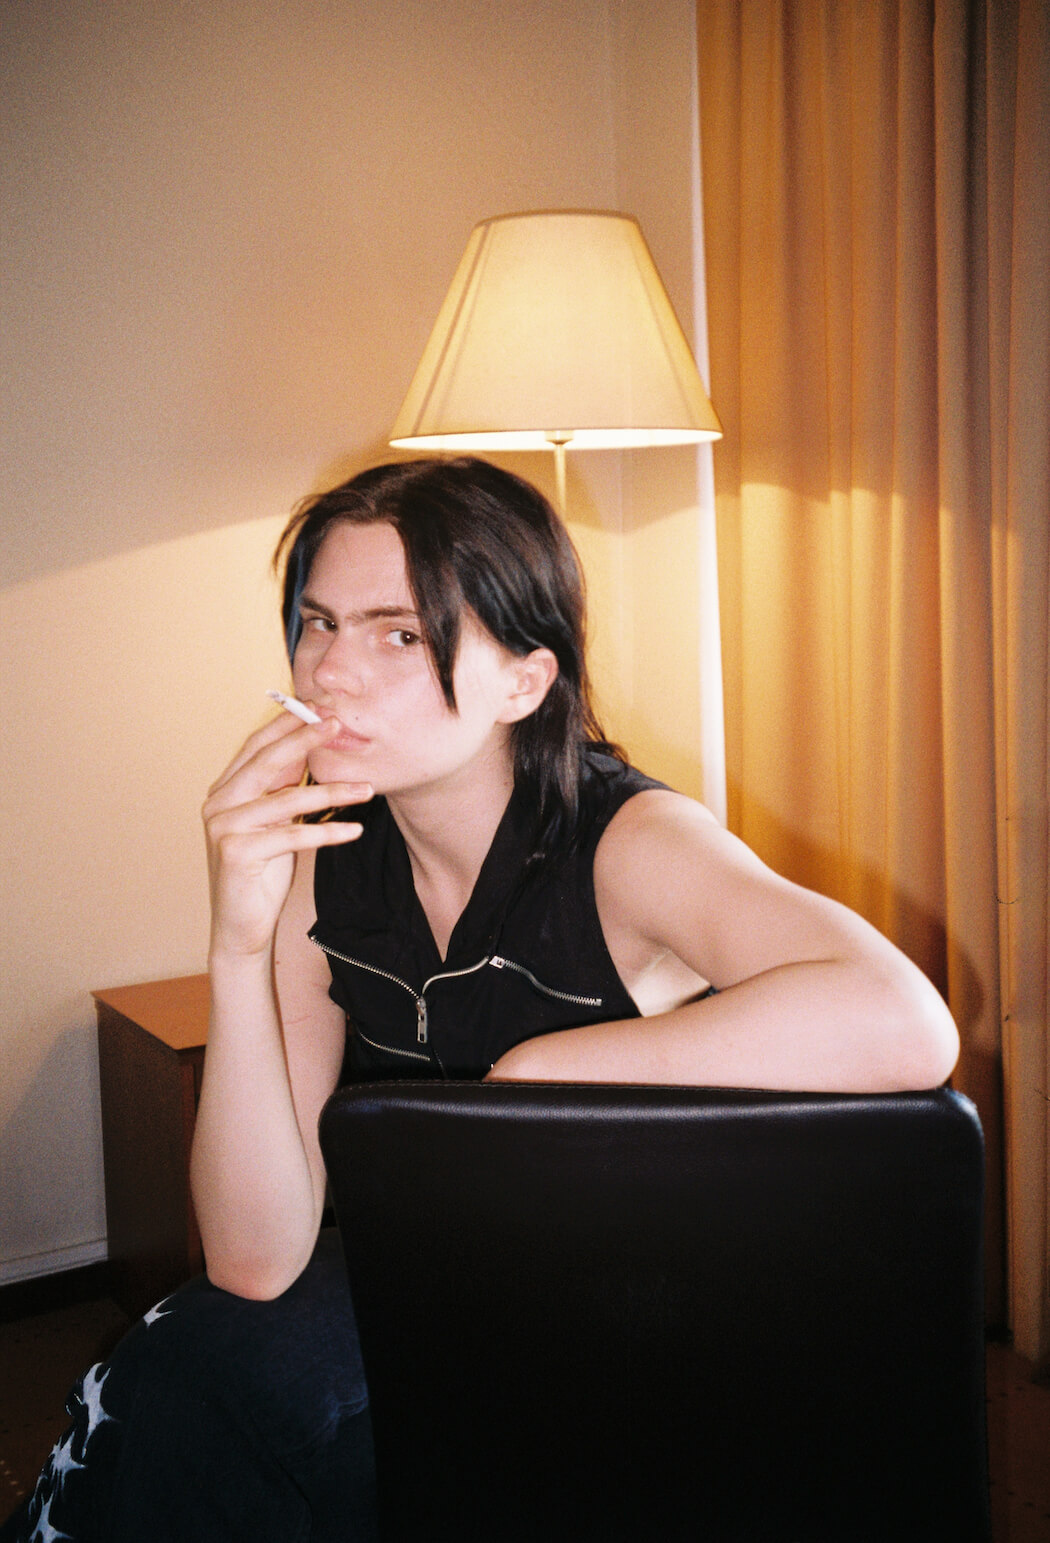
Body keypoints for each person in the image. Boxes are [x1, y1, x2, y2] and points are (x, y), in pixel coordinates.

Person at [4, 456, 959, 1542]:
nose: (332, 672)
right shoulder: (332, 857)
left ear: (524, 680)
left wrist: (544, 1074)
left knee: (242, 1407)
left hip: (630, 1290)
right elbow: (253, 1259)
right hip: (431, 1273)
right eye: (318, 624)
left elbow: (904, 1018)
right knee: (184, 1360)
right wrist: (237, 942)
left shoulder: (629, 843)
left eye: (399, 634)